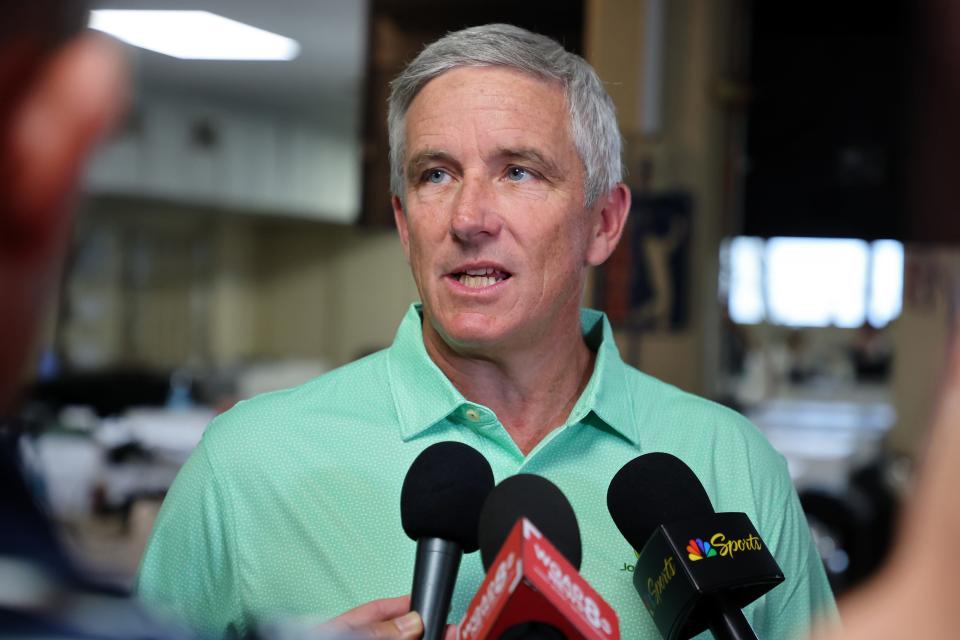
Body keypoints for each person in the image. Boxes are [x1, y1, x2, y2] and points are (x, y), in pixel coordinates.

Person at [136, 24, 836, 639]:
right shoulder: (244, 466)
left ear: (604, 222)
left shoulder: (731, 465)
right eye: (436, 174)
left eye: (518, 172)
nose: (469, 217)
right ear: (406, 224)